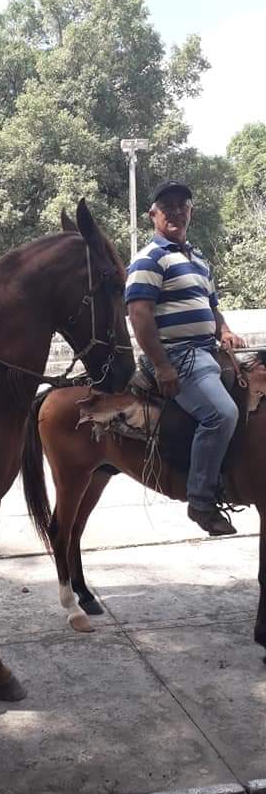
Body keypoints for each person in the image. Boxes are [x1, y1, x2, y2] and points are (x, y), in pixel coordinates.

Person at [125, 179, 245, 536]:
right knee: (221, 414)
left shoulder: (199, 260)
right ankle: (201, 500)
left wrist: (223, 330)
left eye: (183, 206)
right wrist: (162, 365)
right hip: (178, 357)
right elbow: (140, 314)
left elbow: (212, 308)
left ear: (191, 211)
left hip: (208, 352)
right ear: (154, 215)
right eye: (168, 207)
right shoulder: (149, 258)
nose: (176, 212)